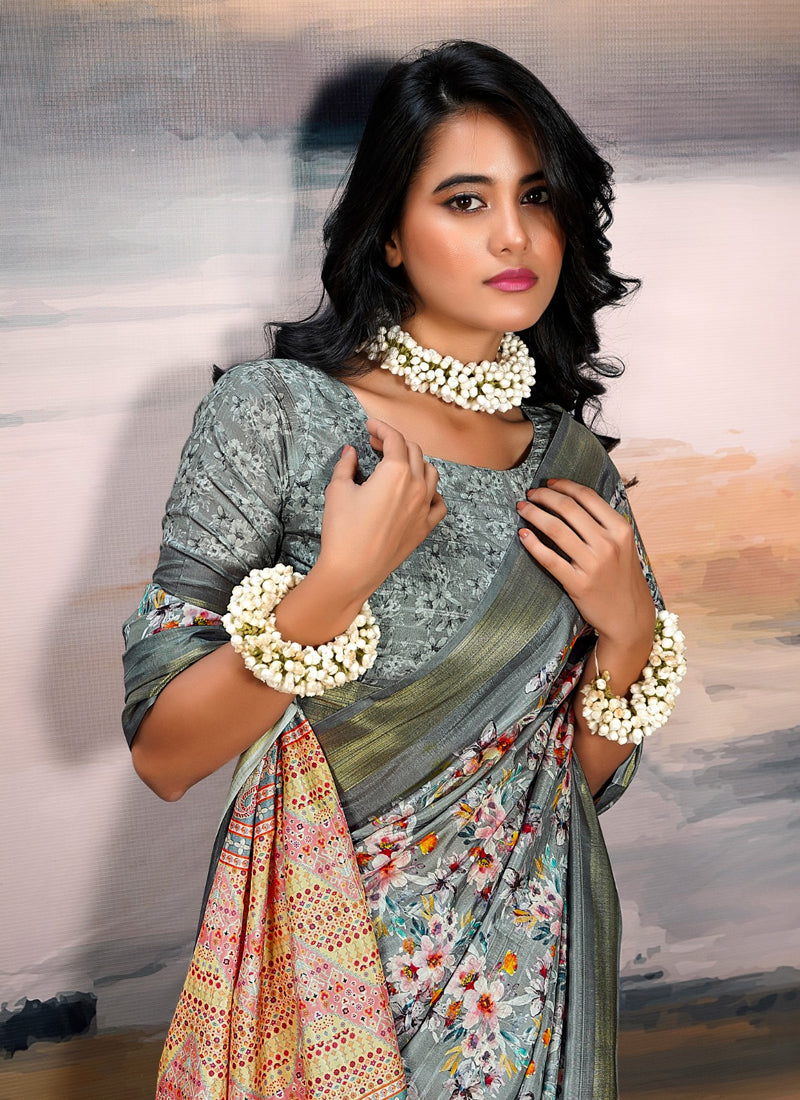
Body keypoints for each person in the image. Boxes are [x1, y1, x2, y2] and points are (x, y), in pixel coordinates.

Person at [122, 40, 685, 1100]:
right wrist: (335, 587)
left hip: (525, 996)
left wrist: (629, 634)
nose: (514, 235)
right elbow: (163, 753)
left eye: (535, 196)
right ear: (388, 230)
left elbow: (569, 785)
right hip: (326, 985)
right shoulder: (276, 414)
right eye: (465, 201)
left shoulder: (571, 464)